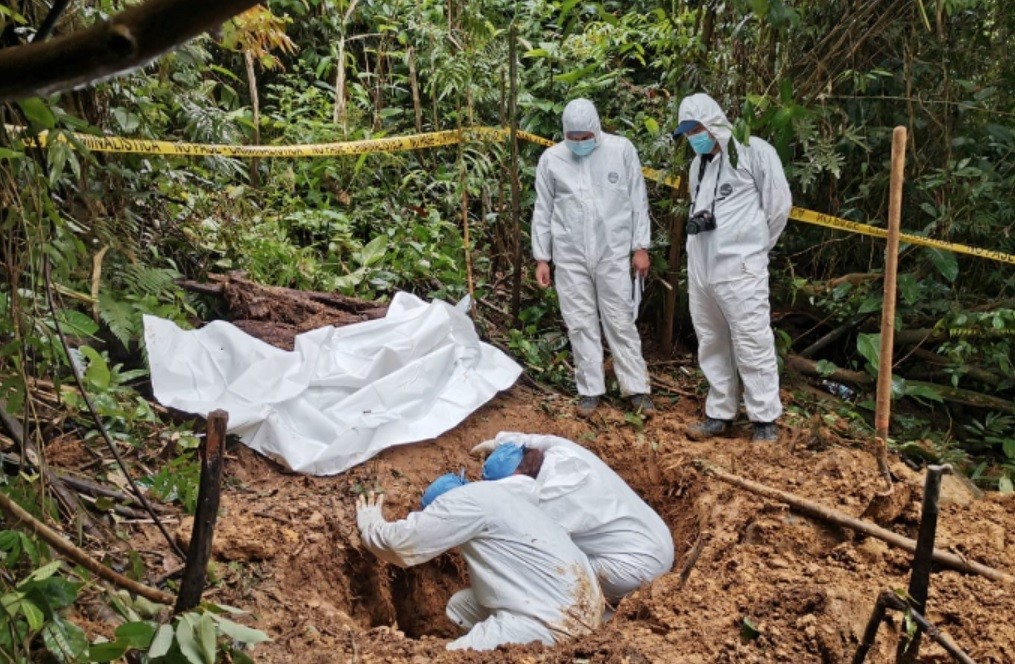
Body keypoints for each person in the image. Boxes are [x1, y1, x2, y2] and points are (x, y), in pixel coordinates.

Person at [355, 472, 603, 651]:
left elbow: (402, 544)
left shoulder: (459, 506)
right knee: (459, 607)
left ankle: (515, 648)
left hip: (552, 622)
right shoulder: (496, 493)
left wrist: (371, 526)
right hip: (585, 604)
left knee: (453, 657)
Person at [671, 93, 792, 442]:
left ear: (713, 122)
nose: (694, 136)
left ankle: (764, 419)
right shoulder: (698, 165)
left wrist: (753, 248)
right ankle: (720, 412)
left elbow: (778, 207)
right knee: (711, 340)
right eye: (688, 131)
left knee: (752, 339)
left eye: (697, 128)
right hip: (703, 268)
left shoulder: (753, 151)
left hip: (740, 267)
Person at [531, 98, 654, 418]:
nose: (581, 143)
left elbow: (638, 199)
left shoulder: (621, 150)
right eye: (574, 138)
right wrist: (542, 257)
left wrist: (640, 247)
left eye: (586, 137)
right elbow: (543, 210)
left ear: (597, 130)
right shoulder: (552, 159)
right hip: (569, 254)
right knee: (579, 322)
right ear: (565, 134)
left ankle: (637, 389)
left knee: (620, 320)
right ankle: (589, 390)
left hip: (612, 251)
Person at [472, 432, 674, 604]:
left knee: (547, 577)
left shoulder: (549, 501)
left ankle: (598, 621)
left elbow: (535, 554)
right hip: (660, 538)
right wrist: (502, 441)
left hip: (634, 569)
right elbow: (540, 439)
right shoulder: (563, 452)